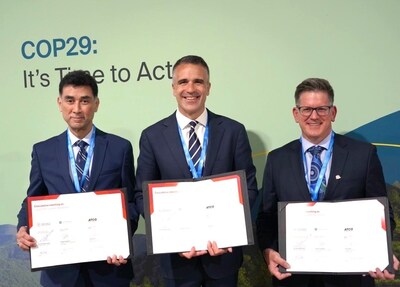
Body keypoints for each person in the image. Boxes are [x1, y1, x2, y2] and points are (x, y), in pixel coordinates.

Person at [256, 77, 399, 287]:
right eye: (306, 109)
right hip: (294, 278)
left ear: (333, 112)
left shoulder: (363, 155)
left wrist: (380, 253)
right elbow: (266, 217)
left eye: (321, 109)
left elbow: (383, 214)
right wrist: (268, 252)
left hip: (350, 279)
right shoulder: (278, 159)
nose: (314, 116)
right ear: (296, 114)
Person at [135, 55, 258, 286]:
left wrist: (227, 234)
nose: (190, 89)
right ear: (173, 88)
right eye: (183, 82)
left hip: (223, 258)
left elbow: (249, 189)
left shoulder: (233, 132)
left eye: (198, 82)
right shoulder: (152, 137)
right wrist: (173, 238)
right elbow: (142, 195)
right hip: (176, 260)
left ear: (208, 88)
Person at [16, 70, 143, 287]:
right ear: (59, 103)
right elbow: (32, 200)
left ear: (96, 104)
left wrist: (120, 241)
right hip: (60, 272)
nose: (76, 109)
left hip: (109, 268)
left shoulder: (119, 148)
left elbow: (130, 202)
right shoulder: (42, 151)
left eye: (84, 101)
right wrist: (22, 227)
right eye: (70, 100)